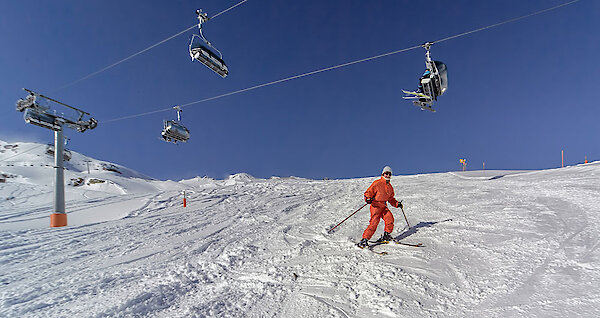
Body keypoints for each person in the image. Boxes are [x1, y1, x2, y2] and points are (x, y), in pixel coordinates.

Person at [357, 166, 403, 248]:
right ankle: (364, 240)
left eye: (389, 174)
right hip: (376, 206)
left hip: (383, 206)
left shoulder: (390, 187)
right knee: (374, 223)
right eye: (386, 173)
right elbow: (368, 192)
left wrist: (397, 204)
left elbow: (391, 199)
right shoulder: (377, 183)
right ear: (383, 174)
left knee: (390, 219)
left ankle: (386, 235)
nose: (388, 175)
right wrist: (368, 198)